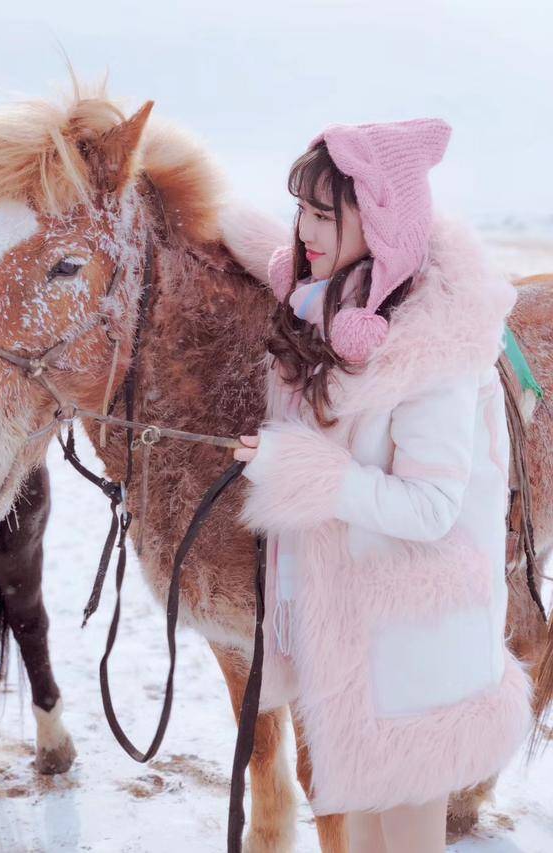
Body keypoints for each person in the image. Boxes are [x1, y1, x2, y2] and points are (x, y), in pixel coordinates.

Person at [222, 118, 533, 853]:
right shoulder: (323, 319)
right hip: (353, 651)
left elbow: (430, 508)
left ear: (383, 220)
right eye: (301, 209)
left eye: (326, 214)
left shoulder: (432, 349)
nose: (304, 231)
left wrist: (304, 472)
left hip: (415, 654)